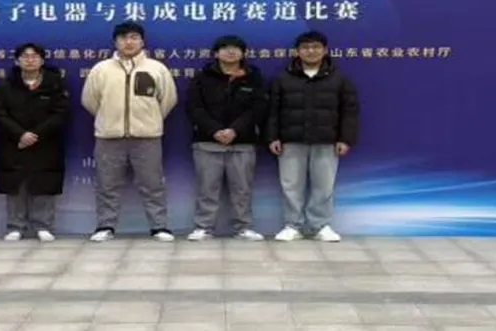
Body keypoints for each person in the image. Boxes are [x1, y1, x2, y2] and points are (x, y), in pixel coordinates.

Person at [81, 21, 178, 242]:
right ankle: (105, 226)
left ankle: (159, 227)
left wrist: (149, 120)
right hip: (109, 138)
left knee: (152, 184)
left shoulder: (156, 68)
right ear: (115, 42)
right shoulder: (101, 69)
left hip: (147, 138)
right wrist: (110, 119)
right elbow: (90, 101)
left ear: (142, 41)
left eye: (134, 37)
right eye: (123, 38)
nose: (129, 42)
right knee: (107, 185)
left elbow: (167, 100)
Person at [265, 30, 359, 243]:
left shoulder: (339, 79)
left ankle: (320, 225)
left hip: (327, 141)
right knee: (291, 186)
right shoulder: (283, 78)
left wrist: (345, 139)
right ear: (297, 52)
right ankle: (293, 225)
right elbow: (272, 112)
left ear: (325, 50)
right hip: (290, 140)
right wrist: (272, 137)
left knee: (323, 186)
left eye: (316, 47)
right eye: (305, 47)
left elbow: (350, 112)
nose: (311, 51)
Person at [185, 35, 269, 242]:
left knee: (242, 189)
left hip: (242, 142)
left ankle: (244, 227)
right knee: (207, 188)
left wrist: (235, 130)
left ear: (243, 54)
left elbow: (258, 108)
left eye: (236, 48)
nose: (231, 52)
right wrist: (215, 130)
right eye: (225, 48)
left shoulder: (254, 78)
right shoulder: (202, 77)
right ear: (216, 53)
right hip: (207, 141)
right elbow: (194, 108)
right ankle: (204, 227)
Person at [0, 43, 70, 242]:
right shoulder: (6, 85)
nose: (30, 60)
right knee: (15, 184)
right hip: (14, 142)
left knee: (44, 182)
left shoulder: (55, 84)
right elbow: (0, 114)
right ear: (17, 61)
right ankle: (15, 226)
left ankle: (43, 225)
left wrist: (35, 135)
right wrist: (20, 134)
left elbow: (60, 113)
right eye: (25, 56)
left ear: (42, 60)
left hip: (46, 142)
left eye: (34, 56)